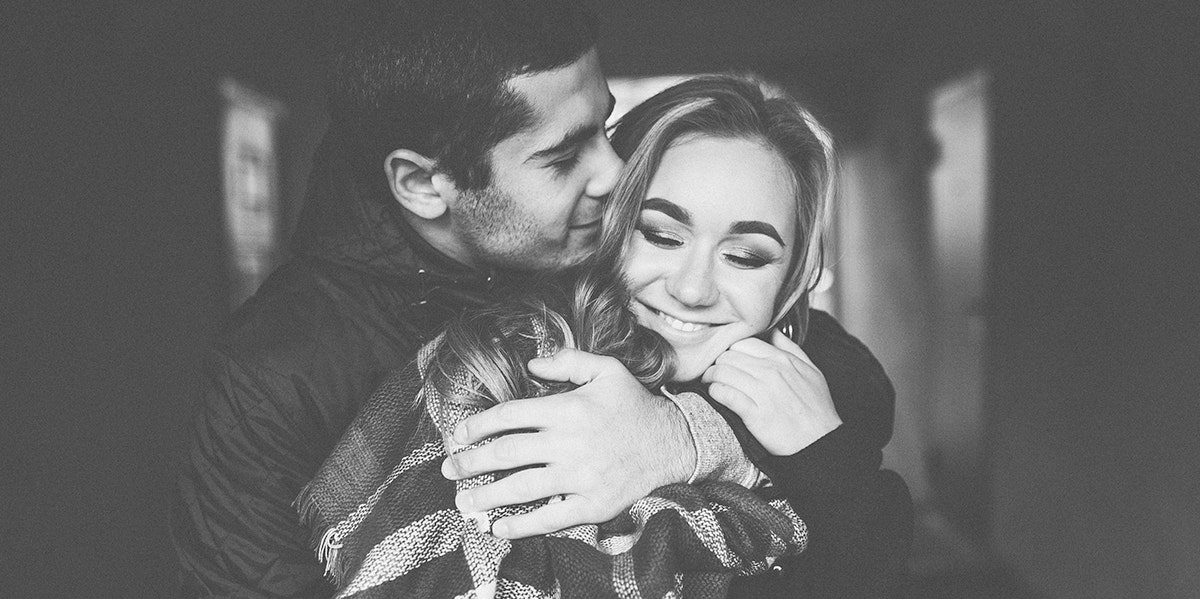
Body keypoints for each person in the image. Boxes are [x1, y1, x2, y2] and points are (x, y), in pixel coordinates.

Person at [170, 2, 903, 597]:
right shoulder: (272, 374)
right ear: (426, 184)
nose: (617, 172)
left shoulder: (584, 245)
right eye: (562, 154)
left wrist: (684, 432)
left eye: (604, 125)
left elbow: (829, 369)